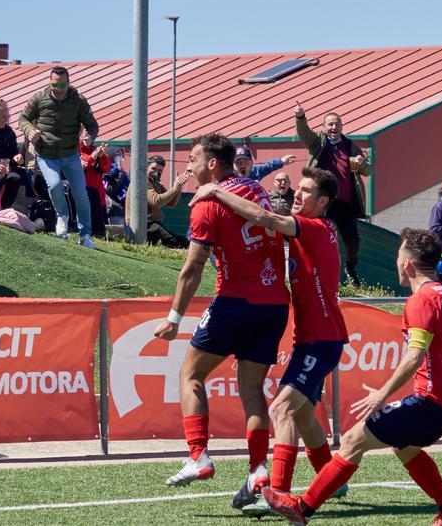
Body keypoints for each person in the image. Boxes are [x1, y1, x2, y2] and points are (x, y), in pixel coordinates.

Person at [263, 228, 442, 526]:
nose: (396, 260)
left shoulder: (422, 300)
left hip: (433, 400)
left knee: (351, 441)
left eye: (398, 254)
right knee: (406, 448)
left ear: (407, 264)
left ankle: (303, 508)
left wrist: (382, 394)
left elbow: (414, 356)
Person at [190, 166, 350, 515]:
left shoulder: (315, 225)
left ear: (322, 201)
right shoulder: (315, 227)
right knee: (305, 417)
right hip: (314, 338)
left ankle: (276, 494)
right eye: (298, 187)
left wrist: (215, 192)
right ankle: (332, 477)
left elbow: (263, 217)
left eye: (306, 191)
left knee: (282, 409)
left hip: (321, 340)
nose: (297, 194)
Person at [151, 134, 290, 502]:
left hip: (235, 301)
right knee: (251, 390)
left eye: (194, 159)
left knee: (190, 374)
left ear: (212, 163)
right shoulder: (256, 190)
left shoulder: (206, 202)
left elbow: (193, 265)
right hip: (274, 302)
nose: (189, 166)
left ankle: (198, 456)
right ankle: (259, 469)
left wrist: (174, 317)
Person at [18, 66, 99, 249]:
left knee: (81, 194)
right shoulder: (39, 98)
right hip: (46, 155)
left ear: (68, 83)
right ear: (50, 82)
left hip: (70, 154)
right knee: (54, 186)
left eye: (63, 84)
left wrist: (89, 137)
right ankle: (62, 220)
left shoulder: (78, 100)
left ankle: (85, 234)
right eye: (55, 84)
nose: (59, 89)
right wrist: (30, 130)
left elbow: (92, 126)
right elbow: (23, 119)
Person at [295, 102, 372, 287]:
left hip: (345, 202)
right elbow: (304, 134)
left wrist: (362, 163)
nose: (334, 127)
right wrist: (300, 118)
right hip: (322, 200)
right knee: (320, 236)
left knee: (352, 240)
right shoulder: (317, 143)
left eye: (337, 124)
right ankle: (313, 271)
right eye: (330, 124)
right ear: (324, 127)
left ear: (342, 127)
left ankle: (350, 268)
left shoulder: (349, 145)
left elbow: (368, 171)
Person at [147, 156, 189, 248]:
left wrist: (178, 188)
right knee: (177, 242)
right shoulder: (144, 181)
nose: (156, 172)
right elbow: (156, 201)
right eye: (153, 168)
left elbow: (171, 203)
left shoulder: (156, 183)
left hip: (154, 223)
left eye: (160, 170)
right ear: (147, 167)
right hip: (146, 224)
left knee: (182, 241)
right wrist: (175, 188)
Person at [79, 133, 110, 238]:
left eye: (88, 132)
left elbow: (106, 169)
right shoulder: (74, 150)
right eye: (83, 131)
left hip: (99, 198)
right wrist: (93, 156)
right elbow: (81, 164)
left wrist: (102, 156)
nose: (86, 134)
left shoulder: (96, 150)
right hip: (84, 197)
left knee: (101, 232)